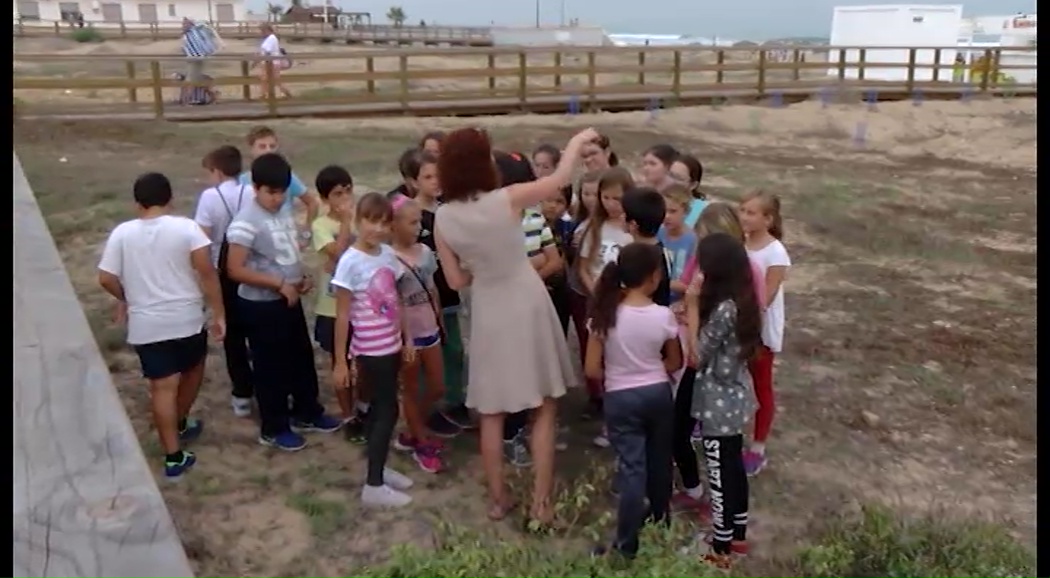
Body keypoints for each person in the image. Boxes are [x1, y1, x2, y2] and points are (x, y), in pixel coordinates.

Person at [433, 126, 598, 524]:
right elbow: (557, 181)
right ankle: (541, 505)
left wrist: (481, 270)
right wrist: (575, 143)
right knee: (543, 403)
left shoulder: (443, 217)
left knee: (491, 410)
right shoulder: (505, 199)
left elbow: (455, 281)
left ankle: (498, 499)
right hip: (525, 298)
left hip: (488, 308)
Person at [98, 172, 225, 480]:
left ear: (136, 203)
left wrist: (126, 297)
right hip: (186, 318)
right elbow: (207, 272)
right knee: (193, 370)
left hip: (146, 324)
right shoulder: (187, 228)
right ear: (170, 199)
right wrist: (220, 312)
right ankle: (180, 420)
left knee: (161, 386)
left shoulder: (122, 233)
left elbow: (105, 277)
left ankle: (173, 456)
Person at [226, 153, 341, 452]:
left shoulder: (282, 213)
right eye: (271, 192)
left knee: (300, 357)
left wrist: (298, 279)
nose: (277, 198)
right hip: (261, 306)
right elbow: (234, 269)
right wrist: (278, 284)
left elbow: (284, 253)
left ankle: (307, 411)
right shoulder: (246, 222)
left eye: (281, 192)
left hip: (288, 299)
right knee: (270, 367)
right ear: (256, 188)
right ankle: (274, 426)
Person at [584, 242, 682, 560]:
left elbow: (590, 369)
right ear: (655, 277)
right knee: (659, 462)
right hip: (657, 394)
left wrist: (619, 372)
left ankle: (626, 545)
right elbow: (674, 362)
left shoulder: (604, 315)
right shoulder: (663, 316)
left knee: (632, 470)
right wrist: (650, 368)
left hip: (620, 397)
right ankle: (660, 522)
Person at [675, 202, 765, 516]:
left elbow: (699, 351)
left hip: (714, 382)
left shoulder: (733, 297)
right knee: (724, 462)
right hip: (721, 380)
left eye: (704, 242)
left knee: (721, 465)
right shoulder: (720, 279)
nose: (698, 250)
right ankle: (726, 525)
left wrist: (692, 305)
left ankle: (721, 532)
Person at [330, 192, 417, 507]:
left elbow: (398, 300)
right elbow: (342, 315)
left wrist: (406, 339)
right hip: (370, 349)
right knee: (386, 410)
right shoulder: (350, 262)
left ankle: (378, 465)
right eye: (371, 221)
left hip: (392, 345)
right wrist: (341, 361)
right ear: (357, 222)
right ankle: (374, 486)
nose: (377, 229)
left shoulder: (388, 255)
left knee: (385, 409)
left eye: (384, 222)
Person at [687, 232, 762, 568]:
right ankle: (738, 536)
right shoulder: (743, 300)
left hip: (718, 403)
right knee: (734, 471)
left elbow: (697, 355)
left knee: (718, 476)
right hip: (737, 398)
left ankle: (720, 550)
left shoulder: (723, 310)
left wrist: (690, 307)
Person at [494, 151, 565, 467]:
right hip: (504, 313)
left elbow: (555, 261)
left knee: (532, 372)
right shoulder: (492, 225)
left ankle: (522, 428)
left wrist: (525, 272)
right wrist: (530, 267)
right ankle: (508, 434)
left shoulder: (536, 221)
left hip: (533, 308)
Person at [401, 150, 469, 435]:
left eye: (438, 174)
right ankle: (425, 410)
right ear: (413, 181)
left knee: (453, 349)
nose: (435, 181)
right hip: (420, 304)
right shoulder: (410, 216)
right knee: (425, 358)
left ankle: (453, 402)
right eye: (427, 176)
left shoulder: (447, 210)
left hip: (449, 297)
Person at [192, 145, 255, 418]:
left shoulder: (209, 197)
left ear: (217, 171)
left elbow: (201, 238)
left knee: (233, 335)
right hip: (251, 267)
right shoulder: (252, 192)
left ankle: (241, 394)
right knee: (257, 329)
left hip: (223, 272)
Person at [389, 194, 448, 474]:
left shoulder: (424, 253)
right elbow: (394, 303)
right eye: (412, 223)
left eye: (419, 222)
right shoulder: (389, 261)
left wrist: (439, 319)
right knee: (411, 388)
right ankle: (421, 442)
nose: (418, 228)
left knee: (437, 386)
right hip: (407, 336)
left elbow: (433, 287)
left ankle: (413, 427)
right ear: (393, 225)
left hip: (430, 328)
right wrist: (405, 339)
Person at [576, 166, 634, 430]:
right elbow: (584, 266)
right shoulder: (593, 227)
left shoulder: (633, 229)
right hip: (599, 304)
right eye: (606, 197)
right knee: (600, 360)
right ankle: (606, 414)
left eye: (617, 198)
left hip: (627, 304)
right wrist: (596, 292)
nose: (611, 204)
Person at [739, 190, 791, 477]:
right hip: (734, 324)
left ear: (768, 219)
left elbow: (765, 297)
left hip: (759, 330)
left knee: (761, 385)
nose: (744, 216)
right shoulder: (740, 244)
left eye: (751, 212)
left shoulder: (775, 253)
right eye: (742, 210)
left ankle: (757, 448)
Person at [311, 165, 362, 439]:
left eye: (347, 191)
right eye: (337, 193)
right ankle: (348, 414)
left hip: (360, 305)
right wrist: (345, 224)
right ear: (324, 199)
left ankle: (362, 406)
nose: (344, 198)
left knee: (362, 362)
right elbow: (339, 254)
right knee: (339, 360)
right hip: (332, 307)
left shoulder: (359, 221)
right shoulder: (321, 226)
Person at [238, 126, 320, 229]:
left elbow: (312, 202)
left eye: (272, 146)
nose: (268, 150)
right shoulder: (242, 181)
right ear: (251, 148)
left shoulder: (287, 176)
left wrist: (307, 230)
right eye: (262, 146)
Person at [621, 186, 671, 307]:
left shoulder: (636, 258)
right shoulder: (663, 252)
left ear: (633, 224)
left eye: (623, 213)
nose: (620, 216)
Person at [540, 183, 575, 335]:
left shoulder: (568, 227)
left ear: (567, 205)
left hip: (561, 290)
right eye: (548, 200)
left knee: (559, 333)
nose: (552, 206)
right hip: (538, 287)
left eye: (559, 201)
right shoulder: (532, 225)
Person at [657, 185, 697, 305]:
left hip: (679, 301)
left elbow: (692, 283)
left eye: (673, 211)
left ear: (686, 212)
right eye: (663, 210)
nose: (667, 216)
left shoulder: (693, 241)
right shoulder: (657, 232)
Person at [181, 18, 218, 104]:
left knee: (191, 79)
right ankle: (214, 96)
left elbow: (198, 45)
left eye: (185, 24)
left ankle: (186, 101)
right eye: (183, 24)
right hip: (194, 58)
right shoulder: (188, 34)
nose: (183, 26)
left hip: (196, 59)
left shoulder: (194, 33)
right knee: (199, 79)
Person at [668, 153, 707, 229]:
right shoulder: (659, 202)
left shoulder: (704, 211)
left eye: (678, 178)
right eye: (670, 175)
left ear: (693, 185)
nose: (671, 181)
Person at [255, 23, 293, 100]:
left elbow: (267, 51)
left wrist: (259, 57)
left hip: (271, 62)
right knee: (267, 79)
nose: (261, 33)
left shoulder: (271, 38)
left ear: (267, 30)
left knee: (270, 79)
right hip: (269, 62)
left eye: (262, 31)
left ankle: (265, 94)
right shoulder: (270, 38)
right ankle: (264, 94)